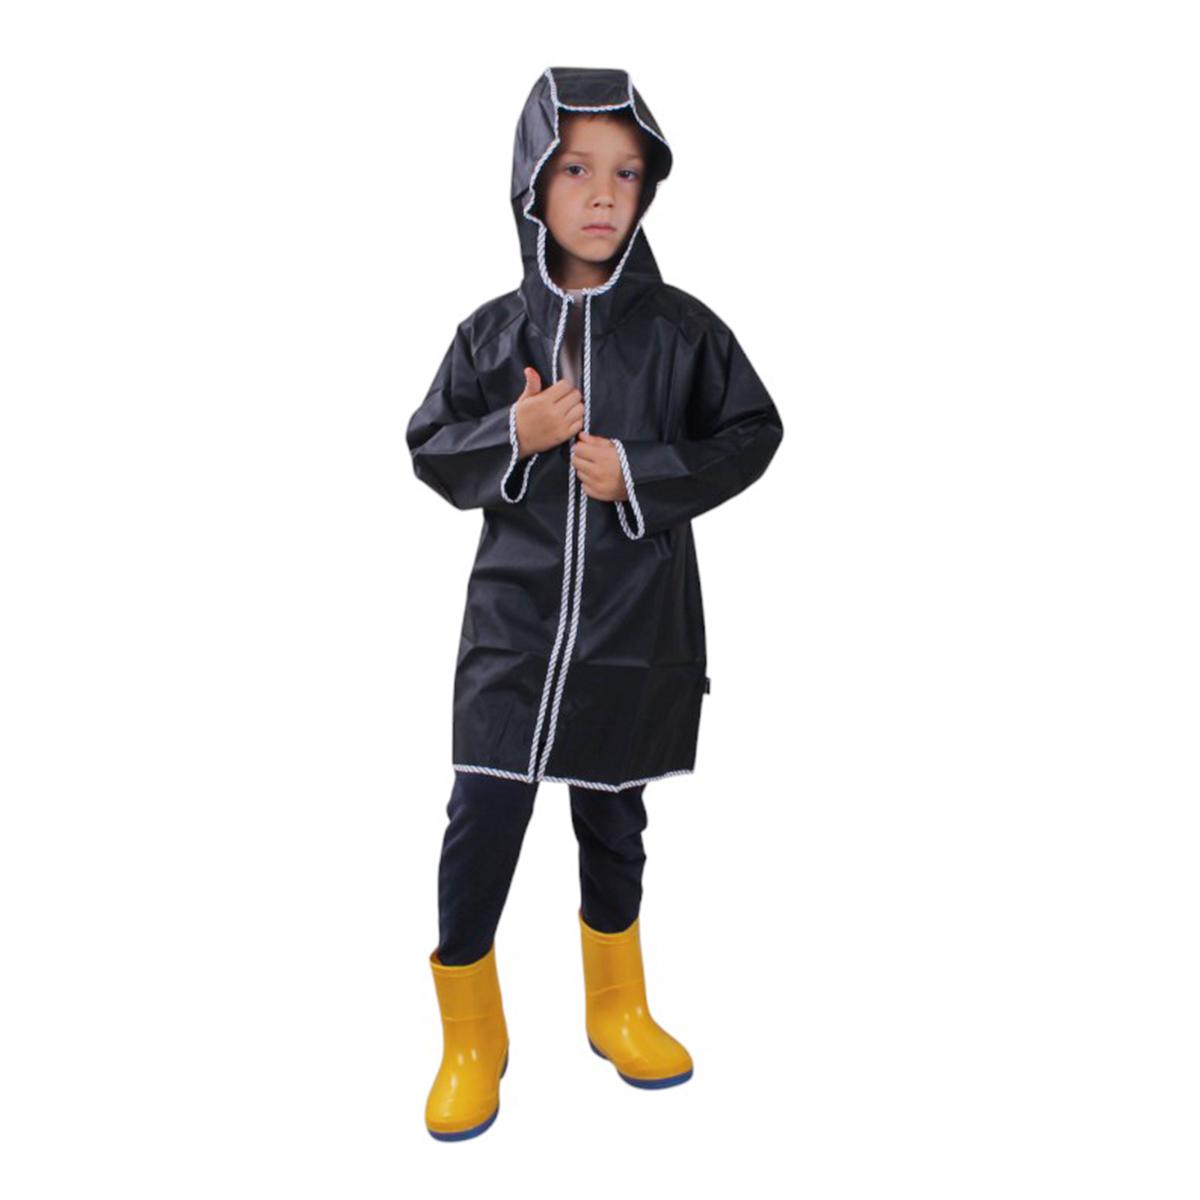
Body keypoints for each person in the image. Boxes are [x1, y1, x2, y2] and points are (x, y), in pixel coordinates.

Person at [407, 66, 784, 1141]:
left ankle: (617, 1007)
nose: (604, 192)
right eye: (576, 168)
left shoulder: (683, 332)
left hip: (634, 626)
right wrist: (514, 436)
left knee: (614, 816)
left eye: (625, 171)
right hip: (513, 630)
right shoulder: (491, 336)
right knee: (483, 819)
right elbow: (430, 446)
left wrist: (643, 472)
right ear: (533, 184)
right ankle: (470, 1036)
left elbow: (753, 432)